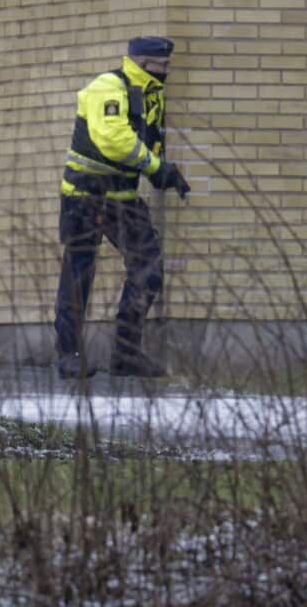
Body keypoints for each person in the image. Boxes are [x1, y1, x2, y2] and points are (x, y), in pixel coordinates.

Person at [53, 36, 190, 379]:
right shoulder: (108, 86)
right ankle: (69, 355)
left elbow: (146, 141)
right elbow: (113, 140)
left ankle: (126, 354)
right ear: (144, 63)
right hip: (85, 196)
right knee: (78, 274)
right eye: (163, 65)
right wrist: (156, 168)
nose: (168, 70)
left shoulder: (150, 96)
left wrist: (163, 171)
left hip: (123, 198)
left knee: (149, 267)